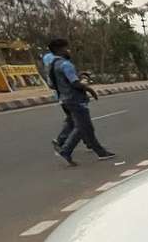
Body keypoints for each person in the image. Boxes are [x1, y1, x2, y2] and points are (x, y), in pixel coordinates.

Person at [46, 38, 115, 166]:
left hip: (64, 99)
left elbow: (51, 85)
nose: (68, 50)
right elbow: (75, 83)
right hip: (75, 100)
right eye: (66, 48)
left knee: (85, 127)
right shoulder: (66, 64)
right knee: (83, 127)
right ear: (59, 50)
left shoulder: (52, 65)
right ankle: (66, 150)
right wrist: (89, 88)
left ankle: (101, 152)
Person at [42, 48, 77, 153]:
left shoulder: (49, 61)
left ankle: (89, 143)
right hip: (68, 96)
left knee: (75, 120)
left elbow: (51, 83)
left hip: (61, 96)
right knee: (76, 121)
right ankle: (61, 141)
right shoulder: (60, 62)